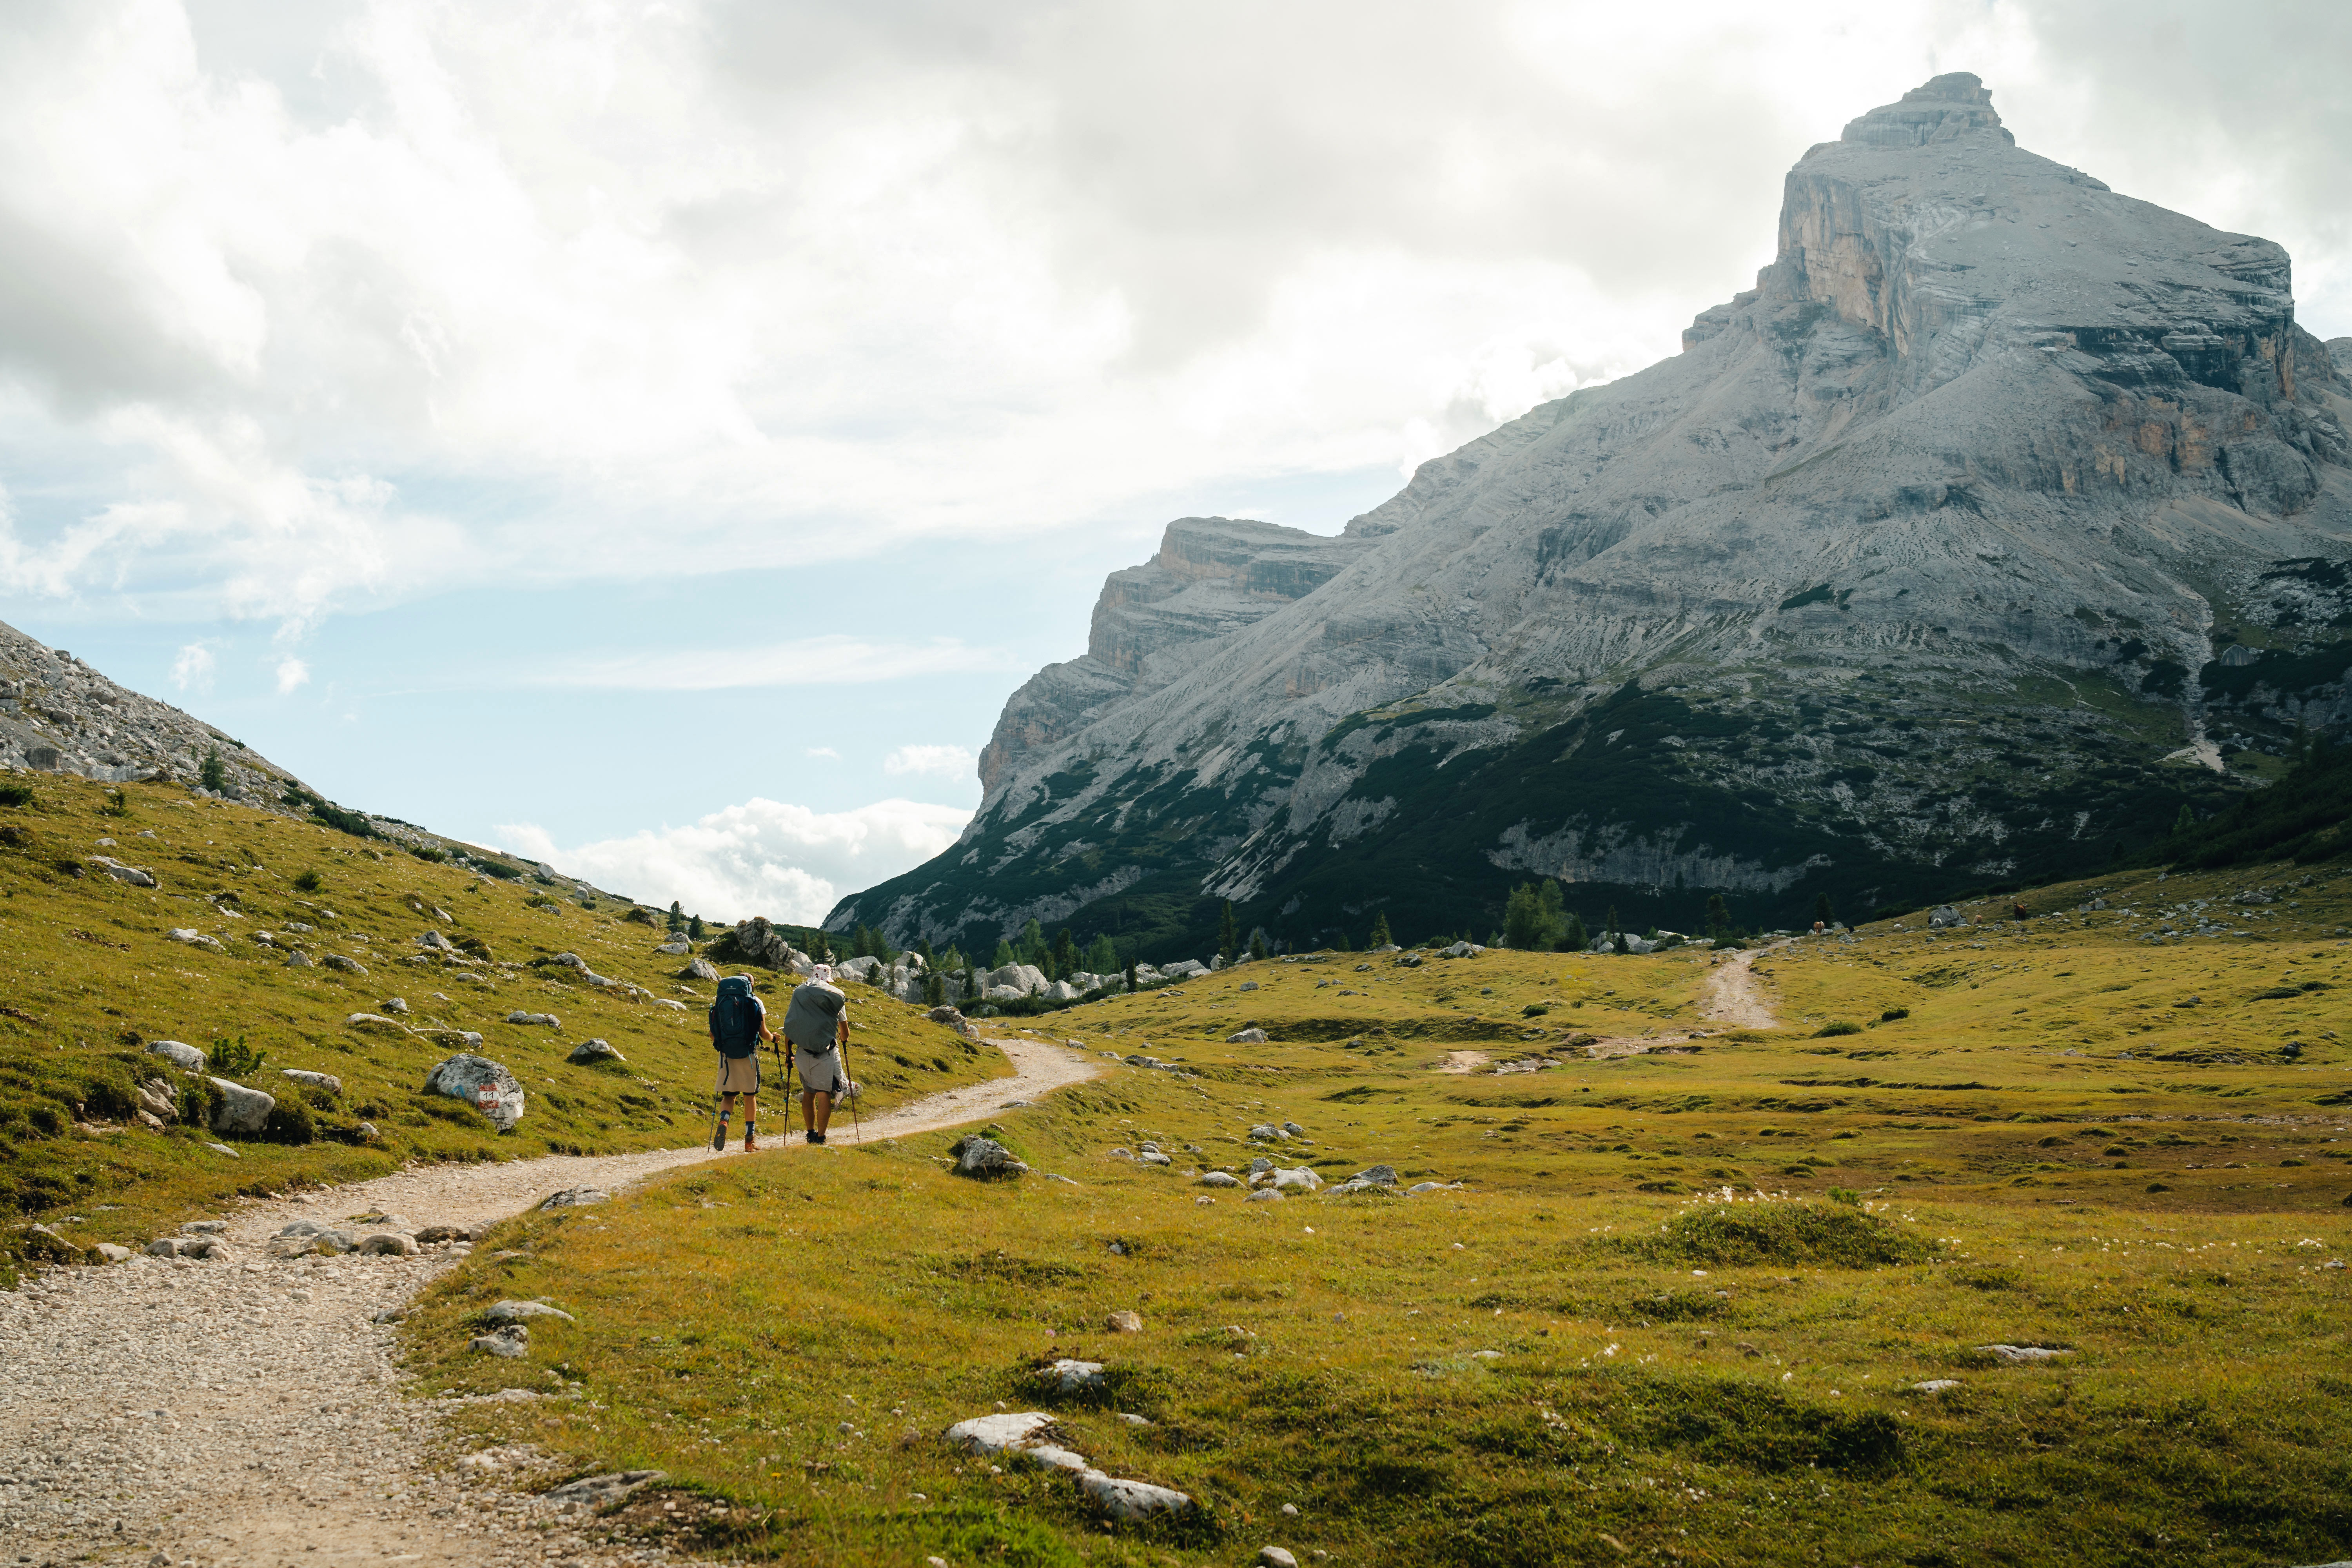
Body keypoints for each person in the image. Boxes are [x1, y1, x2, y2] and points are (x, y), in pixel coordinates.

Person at [781, 962, 852, 1144]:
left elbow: (792, 1025)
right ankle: (820, 1137)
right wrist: (843, 1039)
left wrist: (789, 1053)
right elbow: (845, 1033)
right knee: (823, 1093)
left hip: (803, 1052)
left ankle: (810, 1132)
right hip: (824, 1053)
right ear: (828, 979)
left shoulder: (800, 995)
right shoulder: (833, 998)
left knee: (808, 1092)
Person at [708, 973, 777, 1152]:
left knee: (729, 1096)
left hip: (727, 1055)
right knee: (750, 1097)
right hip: (748, 1054)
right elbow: (764, 1033)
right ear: (751, 986)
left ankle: (724, 1120)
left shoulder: (721, 1001)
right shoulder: (756, 1002)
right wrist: (774, 1039)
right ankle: (749, 1141)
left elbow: (712, 1033)